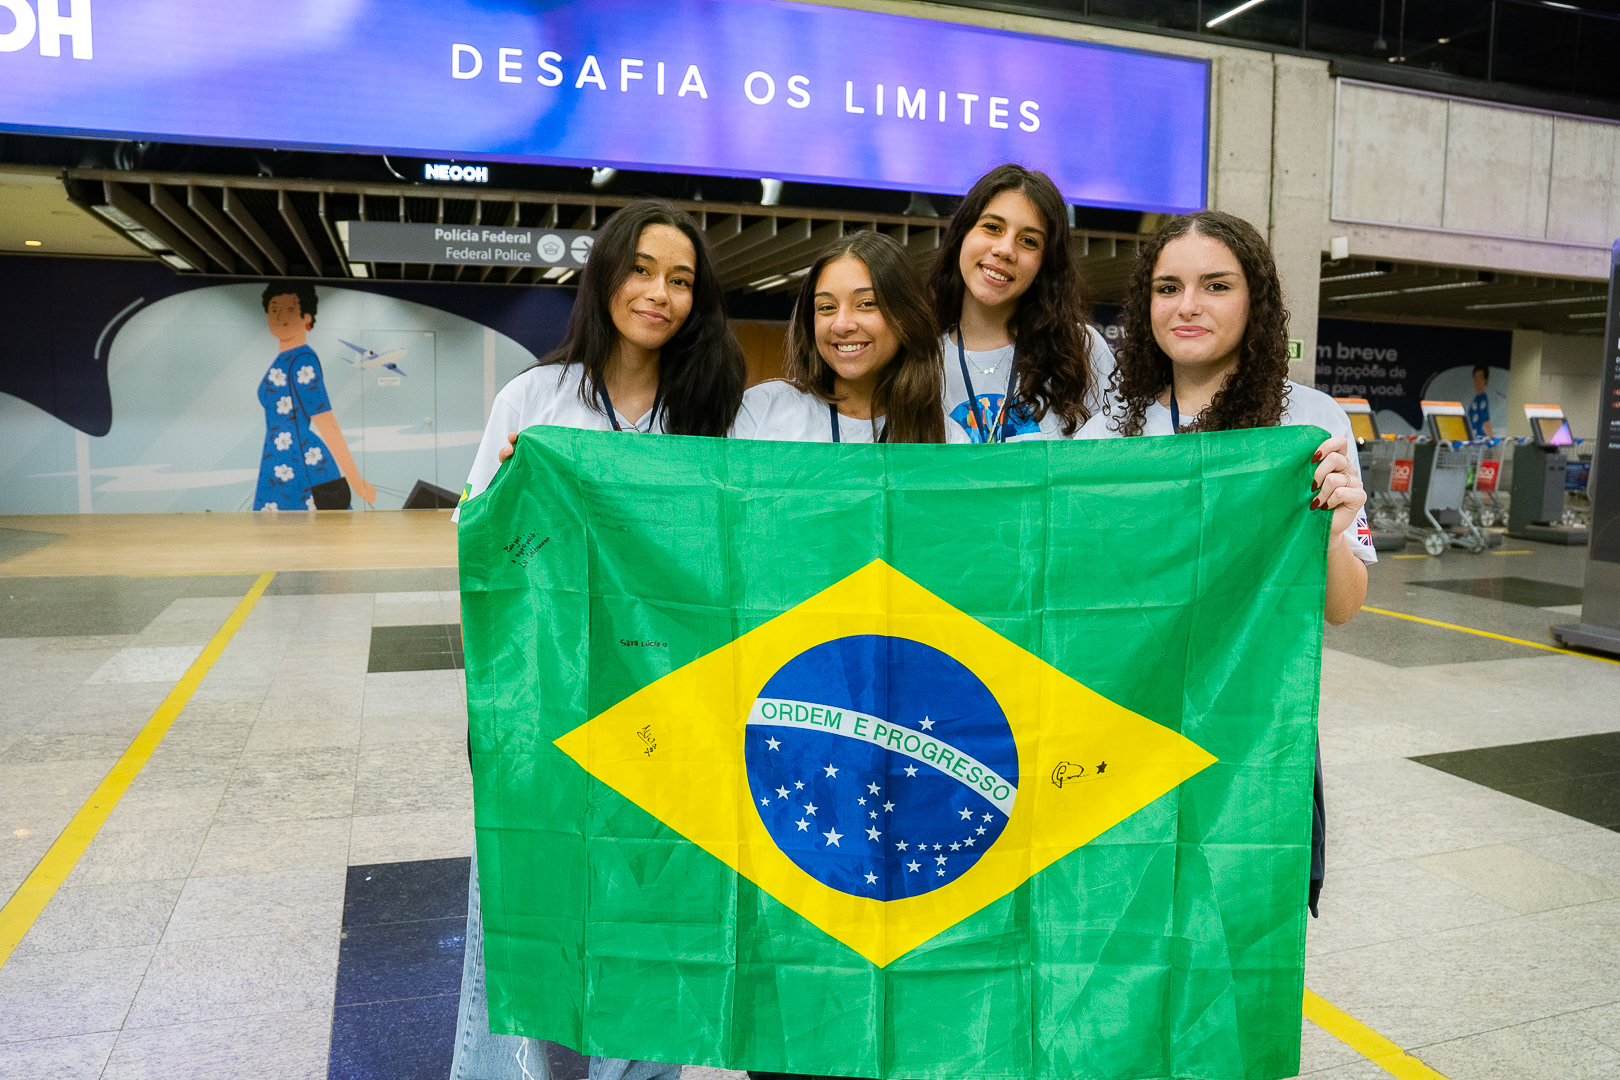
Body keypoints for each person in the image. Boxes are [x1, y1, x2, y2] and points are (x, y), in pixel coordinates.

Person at [451, 199, 745, 1080]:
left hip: (670, 710)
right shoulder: (534, 400)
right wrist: (516, 504)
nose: (659, 293)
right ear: (607, 276)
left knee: (658, 920)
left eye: (682, 279)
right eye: (643, 270)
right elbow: (484, 557)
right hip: (549, 704)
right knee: (525, 909)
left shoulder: (712, 414)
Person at [1078, 209, 1374, 916]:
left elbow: (1343, 606)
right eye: (1167, 287)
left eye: (1215, 286)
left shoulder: (1306, 424)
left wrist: (1331, 532)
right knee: (1133, 934)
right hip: (1133, 725)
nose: (1187, 306)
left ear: (1256, 302)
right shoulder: (1109, 436)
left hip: (1255, 728)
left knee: (1239, 942)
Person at [926, 164, 1116, 443]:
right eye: (992, 227)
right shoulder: (921, 360)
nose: (1004, 250)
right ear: (960, 236)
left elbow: (1120, 464)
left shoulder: (1081, 350)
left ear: (1046, 263)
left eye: (1028, 241)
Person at [732, 231, 964, 444]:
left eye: (866, 304)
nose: (842, 325)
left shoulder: (947, 440)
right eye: (826, 307)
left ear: (907, 315)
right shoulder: (761, 409)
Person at [254, 282, 375, 510]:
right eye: (274, 309)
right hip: (278, 457)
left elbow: (325, 421)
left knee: (305, 536)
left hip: (300, 461)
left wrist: (356, 480)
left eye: (291, 310)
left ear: (306, 318)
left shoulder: (303, 361)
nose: (280, 316)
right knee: (278, 535)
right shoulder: (284, 359)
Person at [1468, 364, 1493, 439]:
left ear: (1485, 381)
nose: (1477, 381)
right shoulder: (1476, 399)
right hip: (1475, 439)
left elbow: (1486, 421)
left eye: (1480, 378)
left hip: (1481, 440)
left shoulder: (1482, 399)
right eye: (1475, 378)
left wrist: (1492, 444)